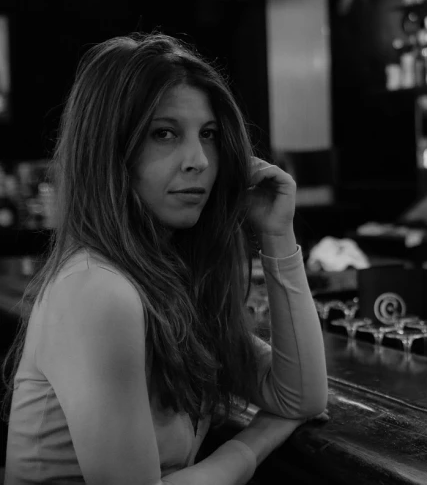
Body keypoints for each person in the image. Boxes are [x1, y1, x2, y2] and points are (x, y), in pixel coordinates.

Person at [1, 32, 328, 484]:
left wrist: (276, 231)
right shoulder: (97, 288)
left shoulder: (169, 282)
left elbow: (301, 396)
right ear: (110, 151)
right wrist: (255, 441)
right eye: (164, 133)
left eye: (209, 135)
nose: (198, 160)